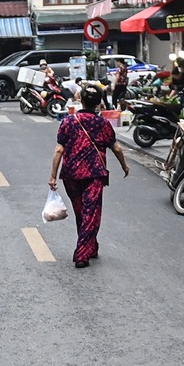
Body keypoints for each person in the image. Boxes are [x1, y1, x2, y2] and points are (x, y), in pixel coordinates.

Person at [48, 84, 129, 268]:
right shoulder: (102, 124)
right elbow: (115, 147)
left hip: (71, 175)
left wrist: (53, 176)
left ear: (81, 101)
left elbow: (59, 149)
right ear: (99, 103)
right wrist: (124, 165)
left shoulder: (68, 121)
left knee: (81, 213)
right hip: (94, 174)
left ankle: (91, 246)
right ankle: (82, 254)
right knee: (90, 214)